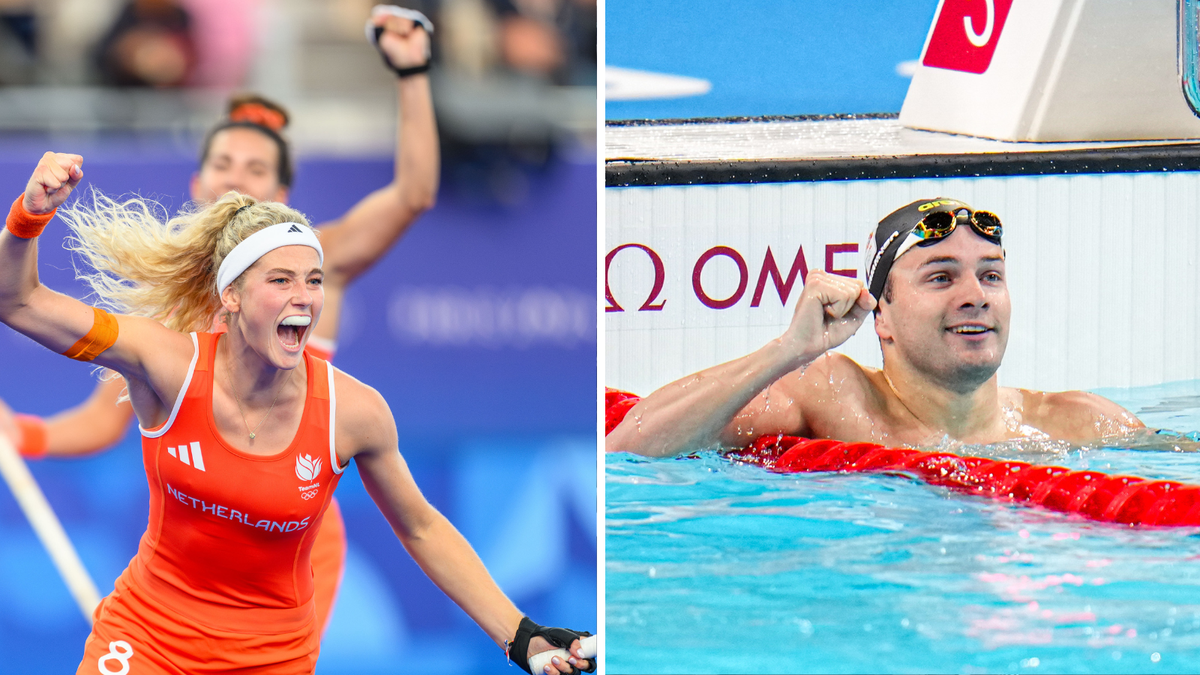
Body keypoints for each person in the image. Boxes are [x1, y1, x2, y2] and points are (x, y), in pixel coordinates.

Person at [0, 151, 593, 674]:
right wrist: (28, 216)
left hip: (273, 658)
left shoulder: (354, 411)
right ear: (230, 296)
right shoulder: (165, 362)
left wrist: (519, 636)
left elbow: (421, 527)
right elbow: (18, 300)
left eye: (312, 281)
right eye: (280, 280)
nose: (303, 297)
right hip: (146, 638)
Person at [0, 5, 440, 636]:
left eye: (256, 169)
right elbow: (102, 419)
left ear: (282, 193)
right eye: (225, 164)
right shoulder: (162, 313)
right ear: (198, 179)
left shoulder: (321, 264)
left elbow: (415, 193)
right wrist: (26, 436)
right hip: (199, 538)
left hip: (293, 538)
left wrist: (412, 70)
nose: (237, 178)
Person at [606, 197, 1144, 457]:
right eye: (941, 278)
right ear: (879, 314)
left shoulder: (1083, 424)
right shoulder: (837, 396)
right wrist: (786, 352)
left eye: (991, 276)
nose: (975, 297)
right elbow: (627, 450)